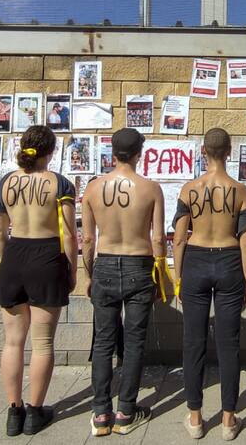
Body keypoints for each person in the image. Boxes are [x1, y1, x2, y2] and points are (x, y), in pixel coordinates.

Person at [0, 125, 78, 437]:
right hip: (47, 256)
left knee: (12, 341)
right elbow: (69, 234)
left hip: (14, 254)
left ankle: (13, 411)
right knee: (42, 343)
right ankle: (35, 410)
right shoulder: (60, 183)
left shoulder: (5, 183)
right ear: (51, 152)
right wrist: (72, 270)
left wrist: (9, 260)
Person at [81, 127, 164, 437]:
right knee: (134, 341)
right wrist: (160, 276)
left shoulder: (93, 188)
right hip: (138, 264)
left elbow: (87, 239)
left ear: (113, 153)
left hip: (104, 263)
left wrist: (89, 274)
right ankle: (126, 411)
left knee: (103, 341)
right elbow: (158, 239)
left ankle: (101, 413)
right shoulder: (150, 188)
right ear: (139, 154)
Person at [172, 128, 246, 441]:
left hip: (195, 260)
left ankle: (195, 418)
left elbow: (179, 238)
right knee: (228, 343)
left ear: (203, 151)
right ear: (229, 151)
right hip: (230, 260)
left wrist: (179, 278)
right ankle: (228, 420)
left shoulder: (189, 189)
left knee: (193, 341)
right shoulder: (240, 190)